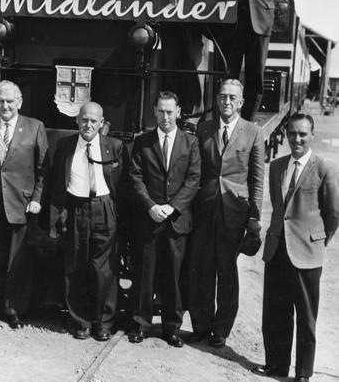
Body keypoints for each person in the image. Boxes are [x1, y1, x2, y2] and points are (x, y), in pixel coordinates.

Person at [252, 113, 339, 382]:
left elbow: (333, 213)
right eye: (292, 134)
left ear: (311, 135)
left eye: (302, 134)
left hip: (307, 253)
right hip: (277, 249)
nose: (297, 139)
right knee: (275, 312)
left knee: (306, 316)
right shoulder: (277, 166)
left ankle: (303, 373)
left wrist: (316, 241)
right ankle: (276, 363)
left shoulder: (323, 168)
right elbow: (280, 208)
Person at [188, 79, 264, 347]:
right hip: (205, 208)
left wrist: (255, 217)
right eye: (223, 97)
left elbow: (256, 178)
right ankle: (201, 325)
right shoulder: (204, 128)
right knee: (204, 269)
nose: (227, 102)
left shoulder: (253, 132)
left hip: (234, 211)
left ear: (241, 102)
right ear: (217, 100)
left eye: (233, 97)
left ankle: (221, 330)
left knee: (227, 271)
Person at [0, 80, 48, 328]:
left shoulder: (35, 127)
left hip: (21, 204)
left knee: (18, 260)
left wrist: (36, 199)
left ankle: (14, 309)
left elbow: (43, 170)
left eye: (10, 101)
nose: (5, 106)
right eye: (0, 101)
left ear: (19, 102)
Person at [49, 101, 128, 341]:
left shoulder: (114, 146)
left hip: (104, 209)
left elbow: (123, 185)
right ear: (77, 120)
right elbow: (56, 181)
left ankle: (104, 322)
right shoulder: (65, 146)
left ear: (102, 123)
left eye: (94, 120)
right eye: (84, 119)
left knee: (104, 270)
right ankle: (80, 321)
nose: (88, 124)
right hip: (76, 209)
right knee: (76, 266)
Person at [128, 92, 200, 345]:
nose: (166, 117)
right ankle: (141, 324)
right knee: (144, 273)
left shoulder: (190, 143)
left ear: (178, 112)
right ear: (154, 112)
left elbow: (193, 179)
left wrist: (173, 207)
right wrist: (150, 206)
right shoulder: (142, 142)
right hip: (149, 220)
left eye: (170, 112)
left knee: (174, 275)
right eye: (161, 111)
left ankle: (172, 327)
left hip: (175, 221)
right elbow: (135, 177)